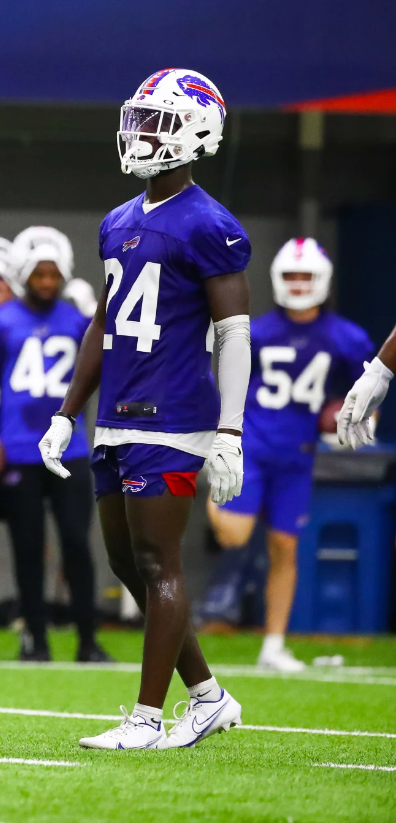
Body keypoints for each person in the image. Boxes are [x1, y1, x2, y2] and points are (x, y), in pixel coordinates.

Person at [39, 68, 250, 750]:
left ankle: (145, 718)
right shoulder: (116, 221)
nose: (141, 133)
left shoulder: (211, 224)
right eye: (139, 118)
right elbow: (101, 323)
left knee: (160, 562)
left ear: (195, 131)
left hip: (174, 415)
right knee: (128, 564)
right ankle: (209, 697)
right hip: (116, 414)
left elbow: (234, 335)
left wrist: (228, 431)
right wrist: (66, 411)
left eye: (157, 120)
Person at [208, 238, 372, 670]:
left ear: (322, 280)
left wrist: (352, 417)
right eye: (291, 276)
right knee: (234, 536)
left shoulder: (347, 339)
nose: (299, 284)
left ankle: (273, 645)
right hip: (255, 446)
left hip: (297, 455)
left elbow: (363, 392)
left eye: (306, 276)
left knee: (285, 547)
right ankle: (209, 484)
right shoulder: (256, 332)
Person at [0, 226, 111, 663]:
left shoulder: (79, 321)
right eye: (37, 273)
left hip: (70, 448)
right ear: (24, 273)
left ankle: (87, 640)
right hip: (19, 446)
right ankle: (36, 638)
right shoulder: (2, 322)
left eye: (52, 274)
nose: (45, 282)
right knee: (27, 546)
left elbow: (102, 369)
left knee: (77, 543)